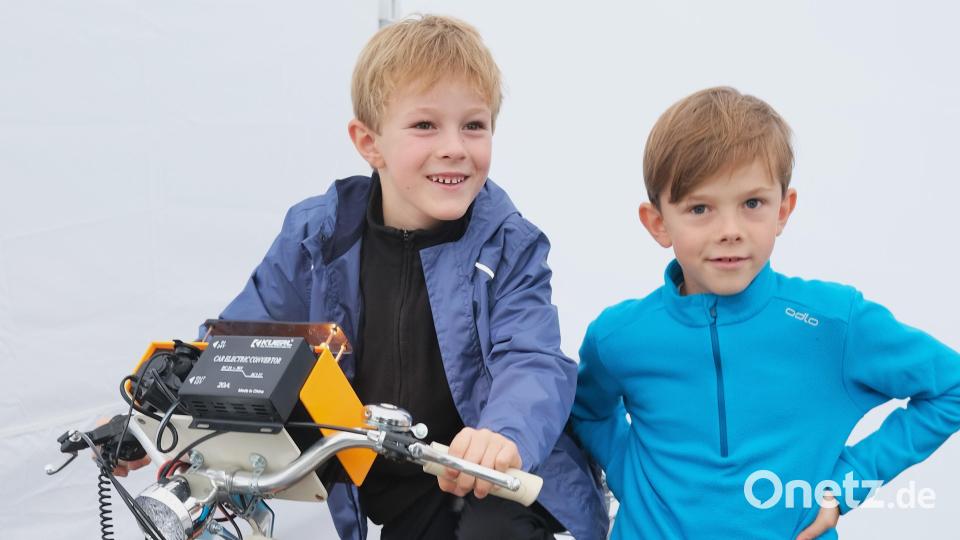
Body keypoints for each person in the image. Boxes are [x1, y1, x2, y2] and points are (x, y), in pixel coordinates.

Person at [212, 15, 606, 540]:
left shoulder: (509, 243)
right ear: (369, 142)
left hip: (491, 484)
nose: (454, 147)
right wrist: (165, 409)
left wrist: (502, 434)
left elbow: (532, 357)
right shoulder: (316, 235)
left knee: (495, 531)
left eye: (474, 125)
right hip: (393, 490)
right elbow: (244, 341)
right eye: (425, 126)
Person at [570, 86, 960, 539]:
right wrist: (632, 482)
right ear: (658, 223)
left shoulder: (834, 322)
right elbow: (589, 411)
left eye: (752, 204)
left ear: (783, 209)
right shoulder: (618, 336)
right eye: (700, 208)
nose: (730, 231)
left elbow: (951, 385)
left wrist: (843, 489)